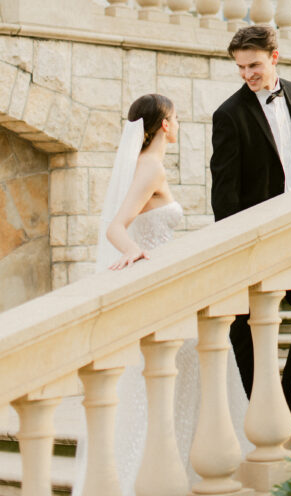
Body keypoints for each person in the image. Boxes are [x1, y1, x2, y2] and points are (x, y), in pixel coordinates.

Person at [73, 94, 201, 496]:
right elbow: (117, 228)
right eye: (176, 118)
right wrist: (134, 253)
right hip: (159, 291)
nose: (178, 125)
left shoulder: (142, 166)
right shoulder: (150, 169)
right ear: (165, 124)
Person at [210, 24, 291, 423]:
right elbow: (224, 192)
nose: (248, 74)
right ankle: (258, 406)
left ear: (275, 58)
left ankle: (285, 399)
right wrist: (236, 245)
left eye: (255, 65)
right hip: (256, 235)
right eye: (241, 67)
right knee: (245, 323)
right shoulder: (228, 115)